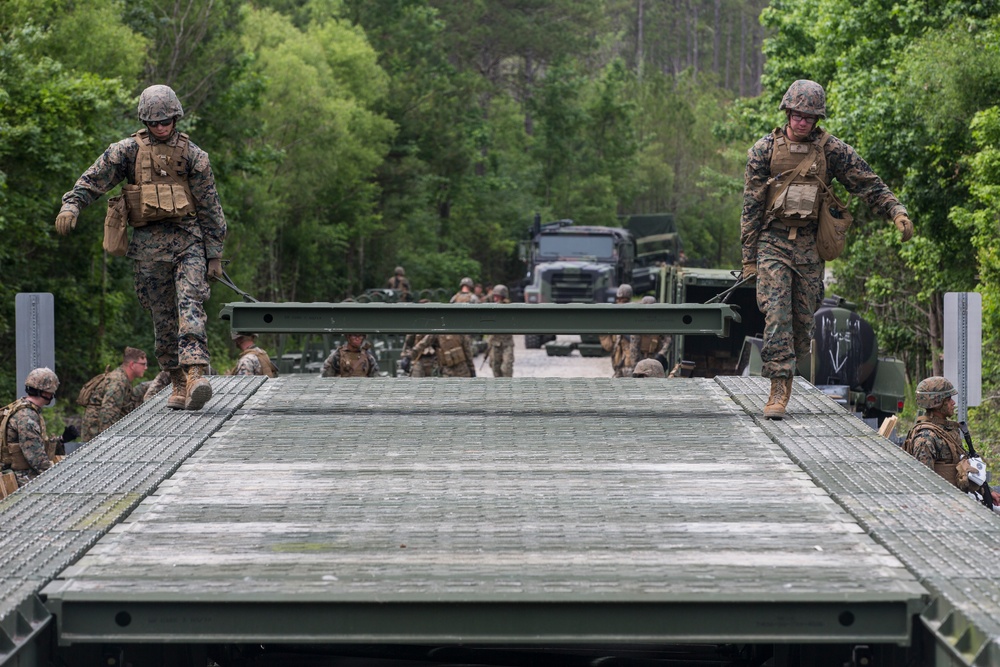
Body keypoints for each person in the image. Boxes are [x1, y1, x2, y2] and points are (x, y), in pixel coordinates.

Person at [741, 79, 913, 420]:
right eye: (798, 115)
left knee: (803, 326)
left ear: (817, 119)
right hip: (772, 242)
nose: (803, 122)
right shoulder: (763, 151)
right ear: (787, 112)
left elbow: (868, 182)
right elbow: (750, 206)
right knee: (776, 315)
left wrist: (896, 211)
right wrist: (749, 258)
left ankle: (790, 367)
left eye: (810, 116)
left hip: (809, 246)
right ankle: (778, 387)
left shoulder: (830, 150)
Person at [55, 84, 227, 412]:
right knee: (162, 316)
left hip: (187, 241)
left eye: (167, 121)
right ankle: (177, 379)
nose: (162, 128)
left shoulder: (194, 156)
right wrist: (72, 205)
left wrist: (214, 253)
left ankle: (195, 374)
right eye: (155, 122)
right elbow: (94, 179)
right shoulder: (127, 152)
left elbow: (210, 205)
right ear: (145, 121)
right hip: (148, 248)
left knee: (189, 303)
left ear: (176, 118)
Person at [903, 376, 1000, 505]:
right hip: (945, 505)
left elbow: (962, 467)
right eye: (948, 399)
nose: (953, 403)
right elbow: (924, 484)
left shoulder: (946, 430)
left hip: (958, 498)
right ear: (938, 403)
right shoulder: (926, 438)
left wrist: (986, 491)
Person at [1, 368, 79, 488]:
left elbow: (37, 445)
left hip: (21, 474)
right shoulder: (26, 416)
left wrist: (61, 440)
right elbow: (36, 458)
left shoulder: (26, 409)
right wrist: (60, 478)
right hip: (20, 478)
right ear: (47, 392)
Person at [81, 347, 148, 442]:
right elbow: (108, 413)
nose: (146, 368)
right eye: (143, 364)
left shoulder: (122, 378)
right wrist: (107, 441)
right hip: (96, 433)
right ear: (132, 365)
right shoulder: (118, 382)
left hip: (97, 430)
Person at [629, 295, 672, 374]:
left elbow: (668, 341)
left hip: (656, 360)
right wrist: (634, 367)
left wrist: (661, 354)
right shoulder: (638, 325)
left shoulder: (660, 324)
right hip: (642, 360)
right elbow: (634, 349)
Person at [600, 284, 634, 377]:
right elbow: (608, 346)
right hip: (618, 363)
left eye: (623, 300)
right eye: (618, 299)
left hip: (630, 363)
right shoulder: (614, 317)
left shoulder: (634, 315)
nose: (620, 302)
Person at [410, 333, 476, 378]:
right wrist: (472, 369)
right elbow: (468, 352)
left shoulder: (438, 332)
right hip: (460, 371)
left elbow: (422, 344)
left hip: (449, 372)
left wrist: (410, 355)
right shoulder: (461, 331)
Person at [487, 284, 515, 377]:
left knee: (507, 367)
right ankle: (498, 389)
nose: (495, 298)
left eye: (497, 296)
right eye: (494, 296)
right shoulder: (491, 307)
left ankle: (507, 388)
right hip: (495, 342)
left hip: (507, 343)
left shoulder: (508, 307)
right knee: (495, 367)